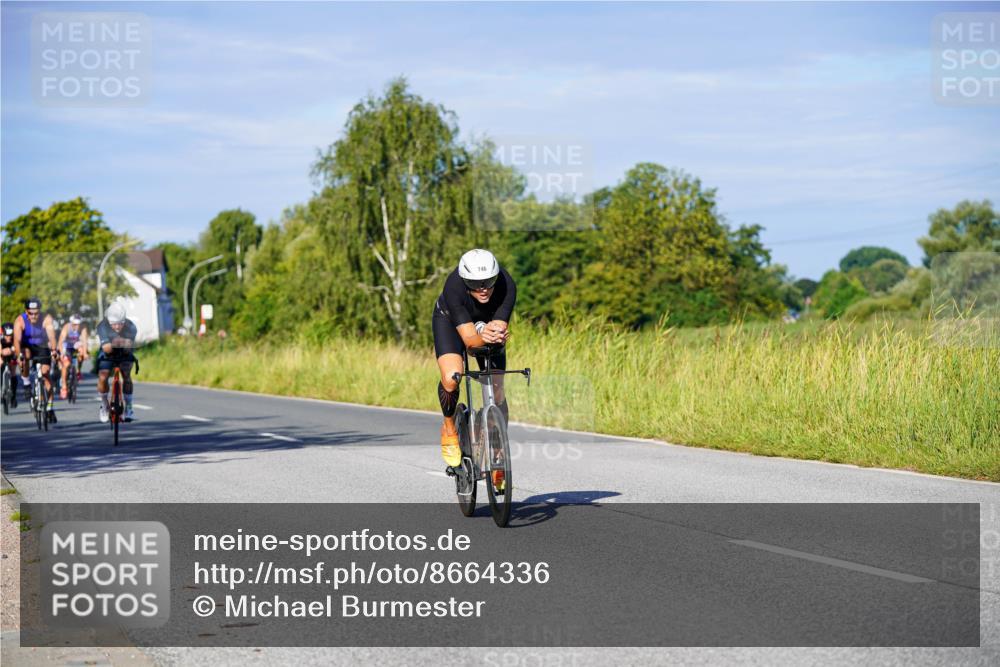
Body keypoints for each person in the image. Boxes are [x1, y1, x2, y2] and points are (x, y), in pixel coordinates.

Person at [432, 249, 516, 482]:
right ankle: (449, 428)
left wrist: (495, 333)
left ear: (496, 277)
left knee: (497, 388)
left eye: (489, 282)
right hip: (450, 322)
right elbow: (470, 343)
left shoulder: (507, 285)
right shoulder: (454, 287)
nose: (484, 289)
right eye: (476, 283)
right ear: (465, 281)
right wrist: (483, 334)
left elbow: (497, 326)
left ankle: (498, 450)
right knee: (451, 377)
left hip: (485, 327)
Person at [12, 297, 59, 422]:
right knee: (24, 356)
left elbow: (52, 336)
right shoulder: (20, 320)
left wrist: (54, 350)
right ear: (26, 312)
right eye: (31, 313)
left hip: (42, 346)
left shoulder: (46, 319)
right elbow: (16, 340)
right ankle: (26, 382)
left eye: (36, 313)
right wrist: (18, 355)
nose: (34, 316)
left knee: (45, 374)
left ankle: (49, 408)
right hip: (26, 347)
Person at [96, 302, 138, 422]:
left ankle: (129, 406)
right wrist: (121, 341)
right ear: (109, 322)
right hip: (107, 353)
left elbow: (128, 348)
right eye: (114, 324)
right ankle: (104, 404)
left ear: (124, 321)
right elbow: (107, 349)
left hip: (124, 353)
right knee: (103, 377)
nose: (117, 327)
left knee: (127, 375)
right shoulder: (102, 326)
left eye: (120, 324)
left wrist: (116, 342)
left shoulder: (131, 326)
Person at [57, 314, 89, 399]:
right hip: (66, 346)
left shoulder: (83, 328)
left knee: (82, 352)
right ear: (71, 323)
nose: (77, 326)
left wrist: (85, 353)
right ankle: (64, 387)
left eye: (78, 324)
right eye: (75, 324)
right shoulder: (67, 327)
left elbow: (85, 341)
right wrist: (61, 353)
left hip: (76, 345)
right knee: (66, 364)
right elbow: (60, 341)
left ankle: (78, 370)